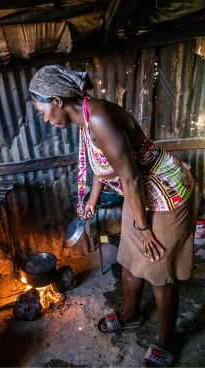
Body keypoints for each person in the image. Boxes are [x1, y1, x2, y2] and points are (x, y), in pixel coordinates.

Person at [29, 65, 195, 367]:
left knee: (158, 271)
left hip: (166, 191)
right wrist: (92, 200)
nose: (44, 119)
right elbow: (101, 162)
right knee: (129, 261)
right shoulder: (83, 119)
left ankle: (167, 339)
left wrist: (144, 229)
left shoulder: (100, 118)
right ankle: (131, 314)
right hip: (141, 195)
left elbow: (130, 178)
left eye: (42, 111)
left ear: (56, 100)